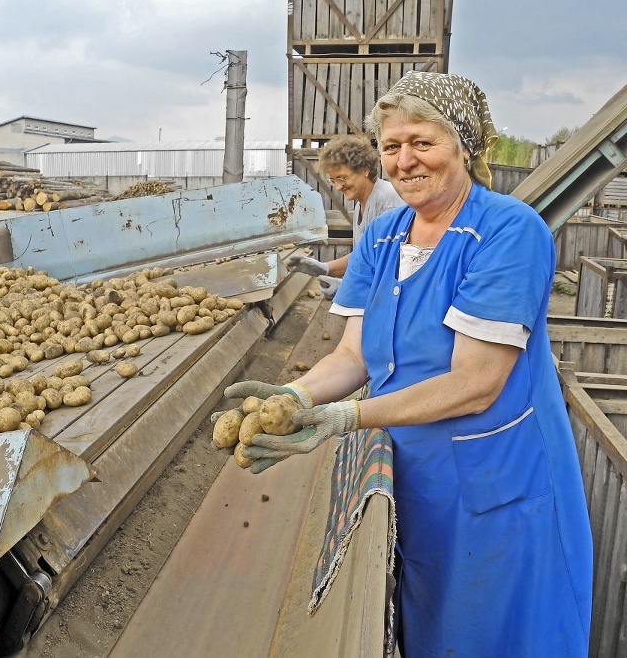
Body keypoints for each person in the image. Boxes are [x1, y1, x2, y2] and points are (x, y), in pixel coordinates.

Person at [225, 71, 593, 656]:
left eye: (423, 142)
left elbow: (476, 383)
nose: (404, 160)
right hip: (421, 474)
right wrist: (296, 396)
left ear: (464, 147)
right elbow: (352, 353)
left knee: (502, 632)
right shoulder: (384, 236)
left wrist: (347, 418)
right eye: (391, 146)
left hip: (499, 482)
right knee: (431, 628)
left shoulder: (508, 233)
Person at [286, 135, 402, 298]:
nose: (338, 186)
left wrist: (351, 287)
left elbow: (393, 265)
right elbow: (364, 256)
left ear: (365, 170)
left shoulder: (386, 200)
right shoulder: (362, 202)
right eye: (333, 180)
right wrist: (326, 268)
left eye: (342, 178)